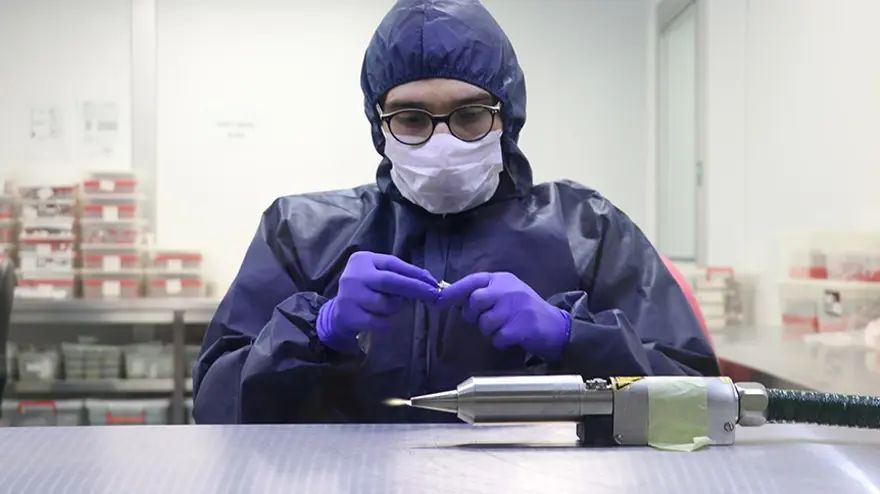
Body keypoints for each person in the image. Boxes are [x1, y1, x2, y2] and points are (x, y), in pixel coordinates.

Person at [193, 0, 719, 424]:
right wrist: (317, 330)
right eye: (411, 118)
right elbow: (215, 408)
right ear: (379, 125)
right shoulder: (301, 233)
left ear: (507, 117)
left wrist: (570, 337)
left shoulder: (587, 229)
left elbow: (700, 404)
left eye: (469, 115)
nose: (441, 142)